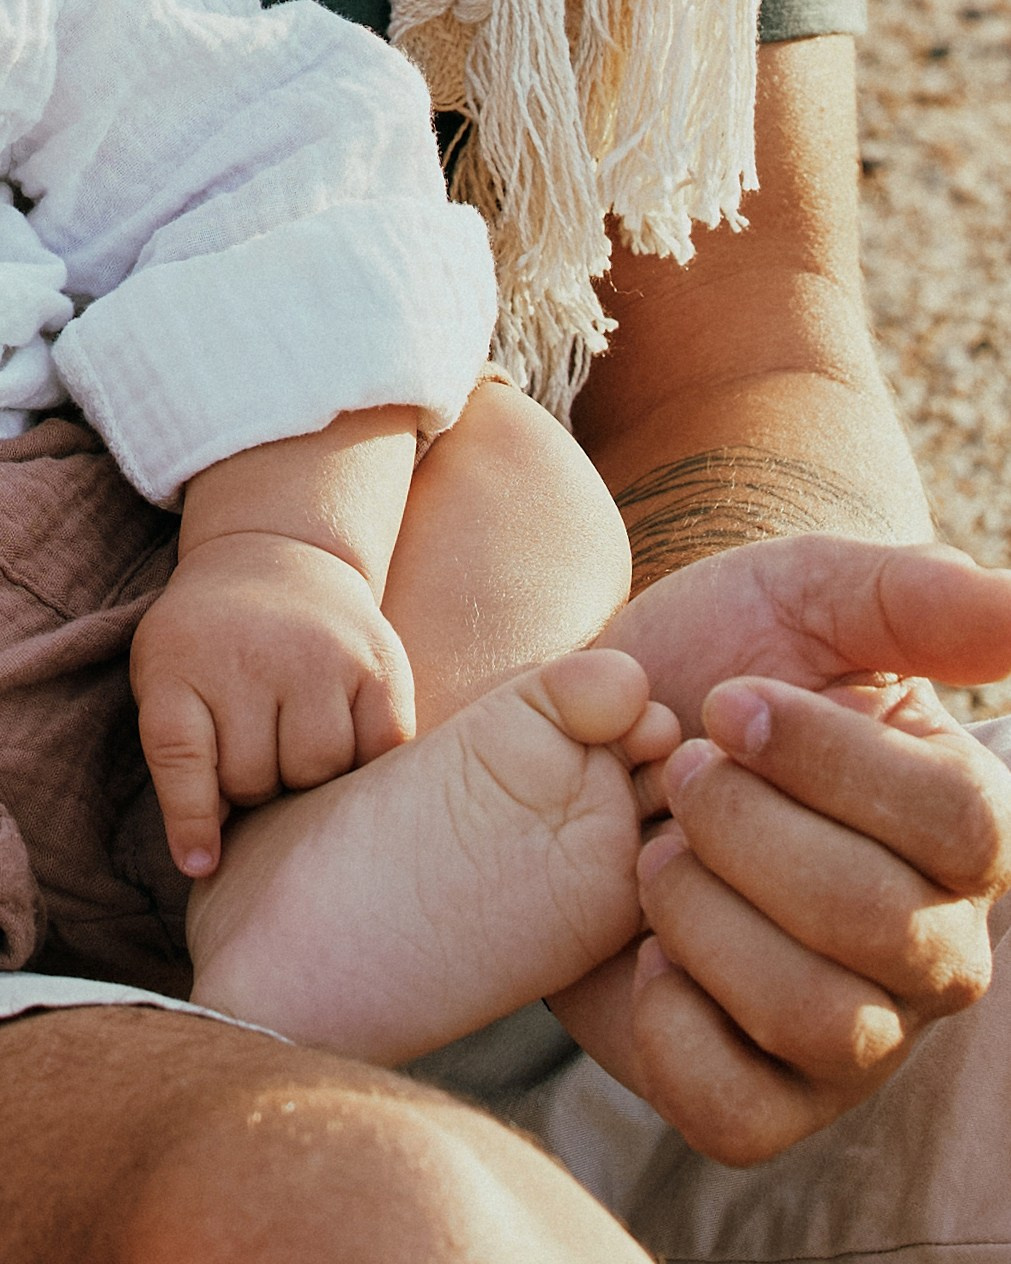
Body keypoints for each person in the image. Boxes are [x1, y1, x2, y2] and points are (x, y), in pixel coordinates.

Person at [3, 5, 1011, 1264]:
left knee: (493, 461)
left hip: (177, 610)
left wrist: (283, 546)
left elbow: (271, 137)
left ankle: (328, 879)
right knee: (377, 1214)